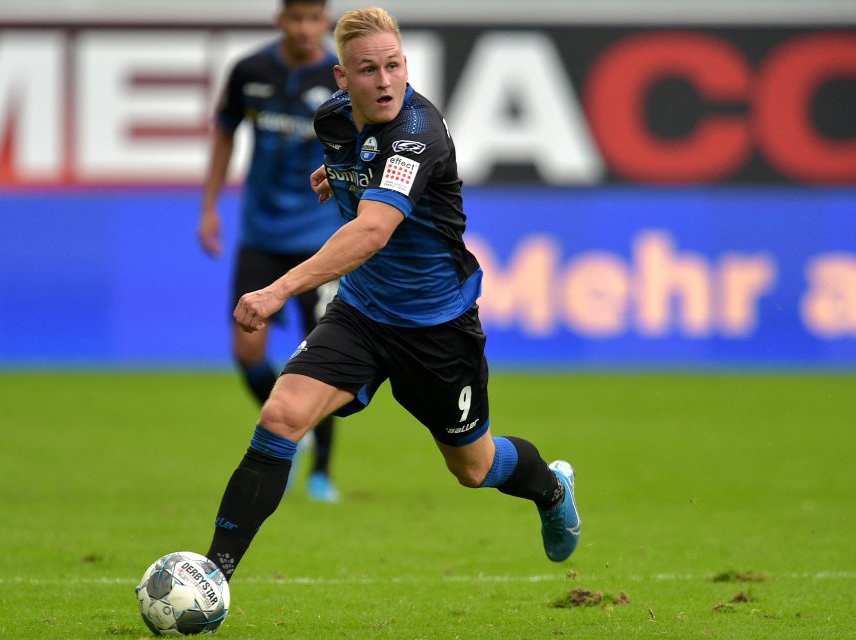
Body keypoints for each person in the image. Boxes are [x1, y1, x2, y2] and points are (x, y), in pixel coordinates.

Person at [206, 6, 580, 581]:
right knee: (281, 415)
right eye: (367, 70)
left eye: (393, 66)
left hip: (437, 327)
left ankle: (551, 488)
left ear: (406, 66)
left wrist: (277, 290)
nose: (383, 81)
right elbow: (360, 165)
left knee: (473, 468)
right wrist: (343, 175)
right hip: (361, 312)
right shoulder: (332, 121)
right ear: (341, 79)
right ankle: (213, 577)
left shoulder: (417, 133)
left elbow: (374, 230)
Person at [199, 0, 342, 502]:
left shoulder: (339, 77)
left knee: (323, 359)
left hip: (320, 243)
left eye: (314, 18)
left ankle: (322, 471)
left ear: (325, 22)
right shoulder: (250, 71)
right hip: (261, 235)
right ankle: (288, 423)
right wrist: (210, 206)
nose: (305, 28)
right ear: (281, 20)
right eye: (296, 18)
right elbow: (224, 134)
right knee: (246, 348)